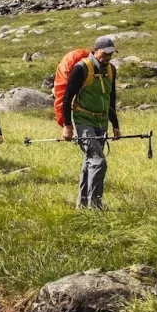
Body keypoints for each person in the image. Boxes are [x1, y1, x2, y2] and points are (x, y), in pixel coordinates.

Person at [58, 37, 121, 209]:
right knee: (98, 161)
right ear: (96, 50)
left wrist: (115, 125)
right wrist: (67, 126)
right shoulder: (81, 68)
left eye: (111, 53)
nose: (107, 56)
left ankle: (83, 204)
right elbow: (67, 98)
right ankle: (95, 205)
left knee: (90, 162)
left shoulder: (111, 70)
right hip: (83, 120)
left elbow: (110, 98)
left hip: (101, 122)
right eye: (105, 53)